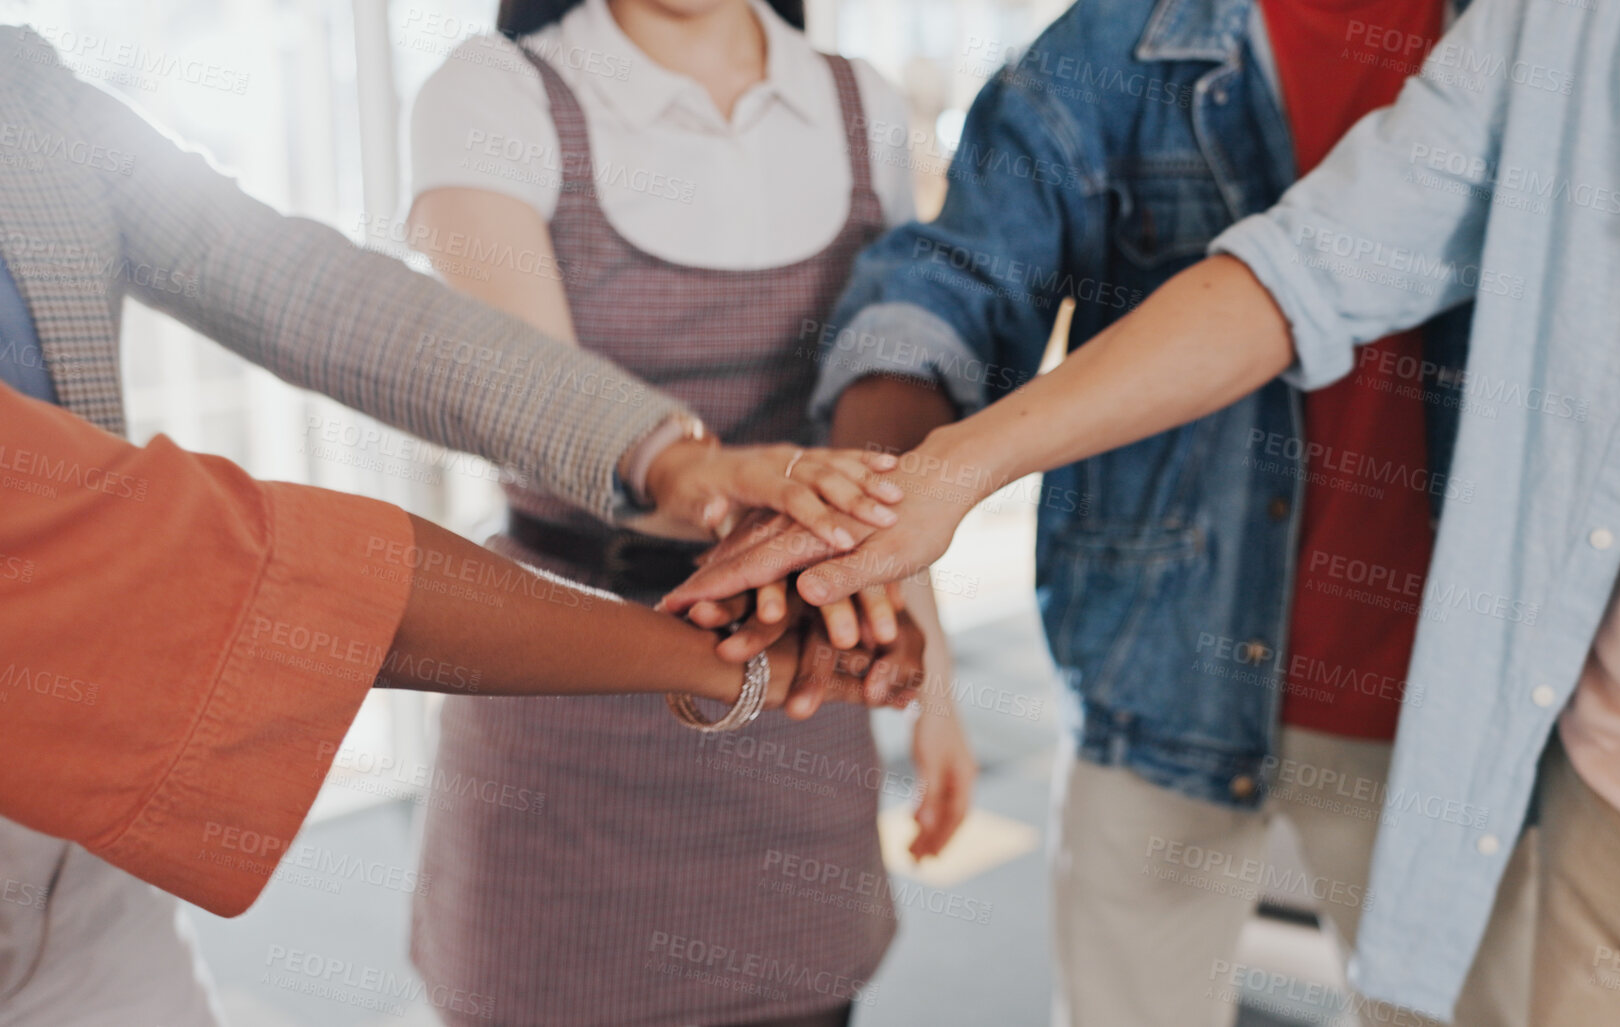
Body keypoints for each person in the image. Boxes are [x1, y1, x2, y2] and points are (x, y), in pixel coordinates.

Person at [666, 0, 1620, 1023]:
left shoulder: (1506, 24)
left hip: (1452, 713)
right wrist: (901, 490)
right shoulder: (1131, 40)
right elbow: (976, 284)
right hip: (1169, 688)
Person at [0, 23, 900, 1027]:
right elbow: (311, 586)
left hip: (86, 880)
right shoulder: (506, 92)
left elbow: (306, 288)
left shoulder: (24, 89)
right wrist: (731, 663)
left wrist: (670, 455)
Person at [713, 0, 1533, 1023]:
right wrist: (871, 492)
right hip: (1159, 669)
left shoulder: (1539, 41)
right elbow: (952, 280)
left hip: (1442, 704)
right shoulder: (1115, 46)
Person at [400, 1, 974, 1024]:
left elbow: (881, 439)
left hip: (803, 693)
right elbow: (541, 411)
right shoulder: (496, 91)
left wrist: (938, 693)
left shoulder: (858, 106)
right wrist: (734, 497)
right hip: (563, 688)